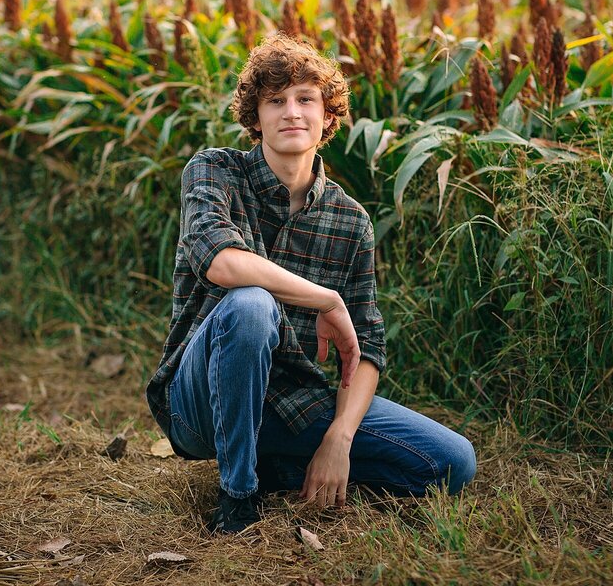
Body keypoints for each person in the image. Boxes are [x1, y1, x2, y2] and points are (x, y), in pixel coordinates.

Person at [145, 34, 476, 535]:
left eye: (305, 99)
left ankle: (279, 467)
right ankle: (239, 493)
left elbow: (365, 348)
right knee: (251, 305)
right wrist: (325, 298)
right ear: (255, 118)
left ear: (328, 116)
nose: (291, 112)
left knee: (452, 462)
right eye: (275, 101)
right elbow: (220, 261)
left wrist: (338, 440)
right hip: (200, 405)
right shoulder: (215, 171)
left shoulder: (350, 220)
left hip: (292, 403)